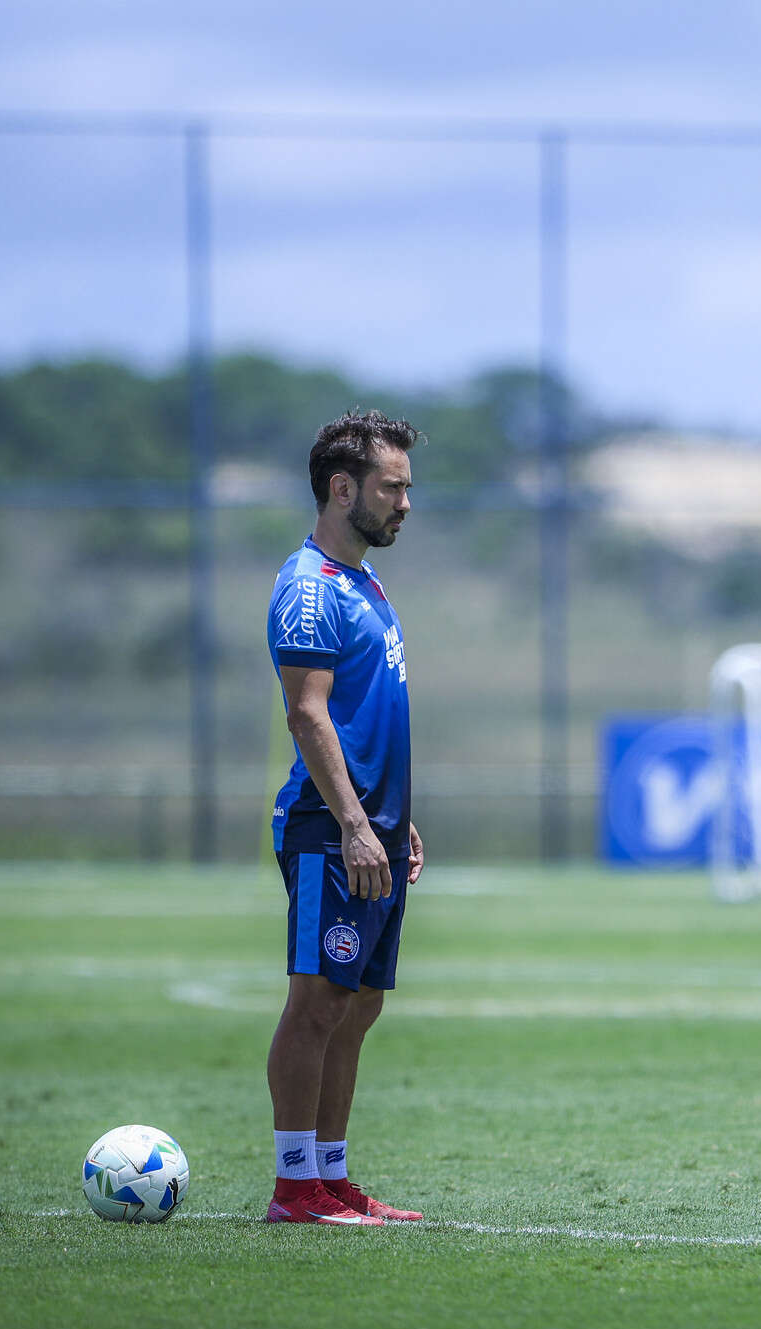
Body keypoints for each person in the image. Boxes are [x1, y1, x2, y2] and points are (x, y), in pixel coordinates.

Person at [263, 409, 427, 1225]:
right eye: (391, 487)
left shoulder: (364, 582)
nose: (404, 502)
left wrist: (396, 824)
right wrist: (359, 825)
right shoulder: (306, 591)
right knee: (317, 1000)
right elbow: (309, 715)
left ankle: (330, 1177)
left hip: (374, 829)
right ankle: (296, 1187)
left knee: (359, 1003)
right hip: (330, 830)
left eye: (405, 486)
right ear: (341, 487)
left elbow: (371, 716)